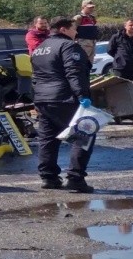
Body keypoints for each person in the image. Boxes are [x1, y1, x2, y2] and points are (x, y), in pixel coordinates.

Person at [31, 17, 94, 193]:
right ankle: (75, 177)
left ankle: (49, 177)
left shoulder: (40, 48)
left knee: (48, 138)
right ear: (64, 29)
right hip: (65, 98)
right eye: (74, 29)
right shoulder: (69, 46)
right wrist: (82, 95)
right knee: (84, 134)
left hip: (43, 99)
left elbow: (35, 76)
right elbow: (74, 73)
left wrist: (36, 97)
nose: (77, 32)